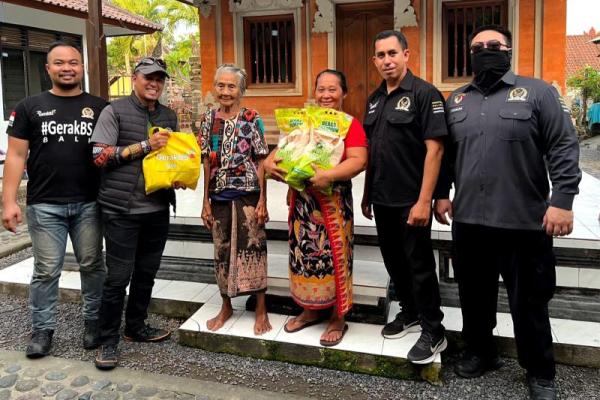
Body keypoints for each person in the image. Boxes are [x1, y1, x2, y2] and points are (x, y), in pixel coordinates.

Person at [434, 25, 581, 400]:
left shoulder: (539, 92)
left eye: (493, 45)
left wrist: (562, 200)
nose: (485, 50)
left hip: (524, 221)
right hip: (469, 222)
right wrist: (441, 194)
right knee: (474, 296)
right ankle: (481, 352)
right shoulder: (456, 101)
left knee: (529, 302)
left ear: (509, 50)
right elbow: (446, 156)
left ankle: (540, 370)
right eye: (477, 46)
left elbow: (563, 146)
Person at [2, 40, 107, 358]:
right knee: (46, 270)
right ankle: (43, 329)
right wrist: (8, 202)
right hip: (45, 203)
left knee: (92, 265)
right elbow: (17, 156)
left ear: (82, 67)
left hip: (89, 202)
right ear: (48, 68)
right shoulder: (29, 106)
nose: (67, 68)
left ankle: (94, 322)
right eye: (59, 63)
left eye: (73, 62)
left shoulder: (100, 107)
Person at [361, 30, 447, 364]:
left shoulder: (425, 94)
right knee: (394, 261)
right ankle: (410, 312)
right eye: (380, 55)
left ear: (406, 55)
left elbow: (436, 149)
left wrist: (425, 200)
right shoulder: (374, 99)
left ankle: (433, 329)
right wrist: (368, 193)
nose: (387, 60)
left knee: (420, 265)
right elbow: (373, 151)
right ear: (375, 61)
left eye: (392, 53)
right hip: (383, 199)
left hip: (412, 200)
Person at [265, 69, 368, 346]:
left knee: (335, 259)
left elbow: (359, 160)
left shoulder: (349, 124)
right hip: (302, 205)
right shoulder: (305, 122)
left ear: (344, 93)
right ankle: (310, 310)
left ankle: (337, 316)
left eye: (332, 89)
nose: (326, 95)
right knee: (304, 257)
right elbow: (281, 150)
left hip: (333, 205)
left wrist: (329, 175)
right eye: (321, 89)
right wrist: (270, 164)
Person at [91, 57, 179, 370]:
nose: (154, 83)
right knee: (117, 278)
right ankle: (107, 340)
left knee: (146, 272)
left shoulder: (169, 115)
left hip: (157, 208)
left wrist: (179, 174)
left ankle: (136, 327)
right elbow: (99, 156)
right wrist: (145, 145)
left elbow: (171, 158)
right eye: (148, 78)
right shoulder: (113, 111)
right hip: (121, 210)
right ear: (134, 78)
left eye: (159, 79)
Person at [200, 64, 271, 335]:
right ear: (215, 87)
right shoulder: (208, 119)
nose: (226, 91)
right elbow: (206, 160)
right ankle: (226, 306)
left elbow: (262, 158)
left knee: (254, 248)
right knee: (221, 250)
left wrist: (264, 199)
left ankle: (261, 309)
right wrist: (204, 200)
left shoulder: (252, 118)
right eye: (221, 85)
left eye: (232, 86)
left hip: (248, 194)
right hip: (218, 195)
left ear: (241, 90)